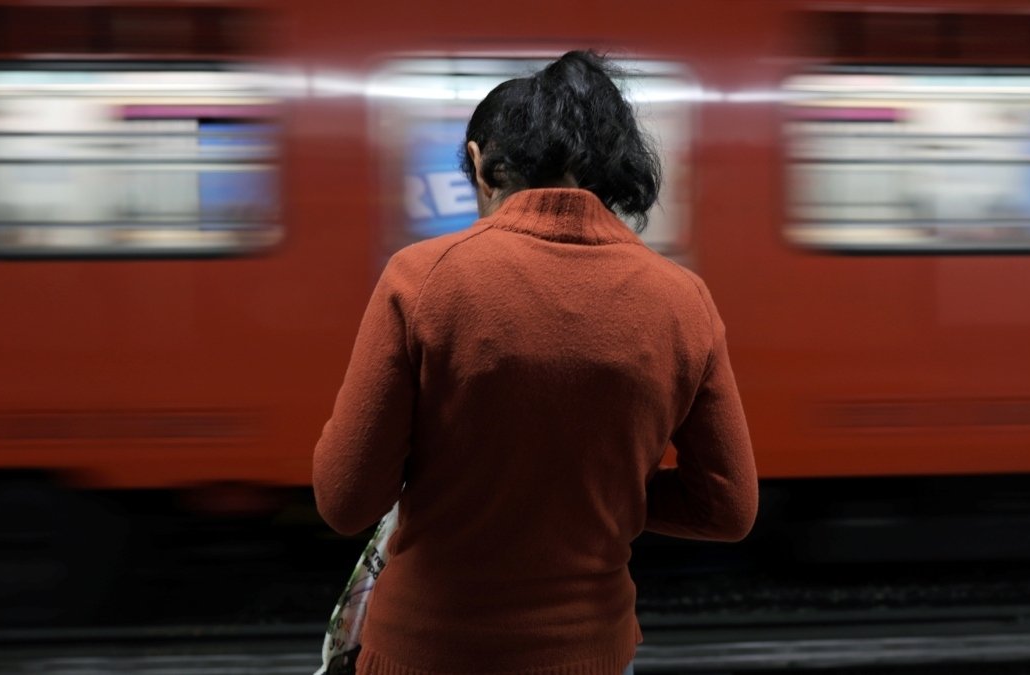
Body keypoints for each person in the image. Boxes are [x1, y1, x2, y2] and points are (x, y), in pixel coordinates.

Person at [313, 50, 758, 675]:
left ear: (479, 165)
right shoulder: (683, 299)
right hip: (592, 654)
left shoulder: (422, 279)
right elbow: (729, 508)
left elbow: (345, 500)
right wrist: (603, 490)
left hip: (429, 651)